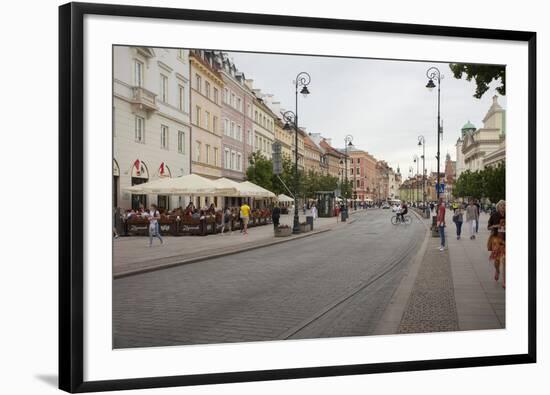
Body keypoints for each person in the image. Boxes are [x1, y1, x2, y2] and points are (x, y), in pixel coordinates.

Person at [488, 200, 506, 288]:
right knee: (497, 260)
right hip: (496, 239)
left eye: (505, 205)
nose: (503, 206)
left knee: (505, 260)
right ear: (498, 207)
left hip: (506, 239)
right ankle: (497, 270)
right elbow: (489, 227)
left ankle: (505, 281)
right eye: (501, 205)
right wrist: (496, 226)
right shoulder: (494, 215)